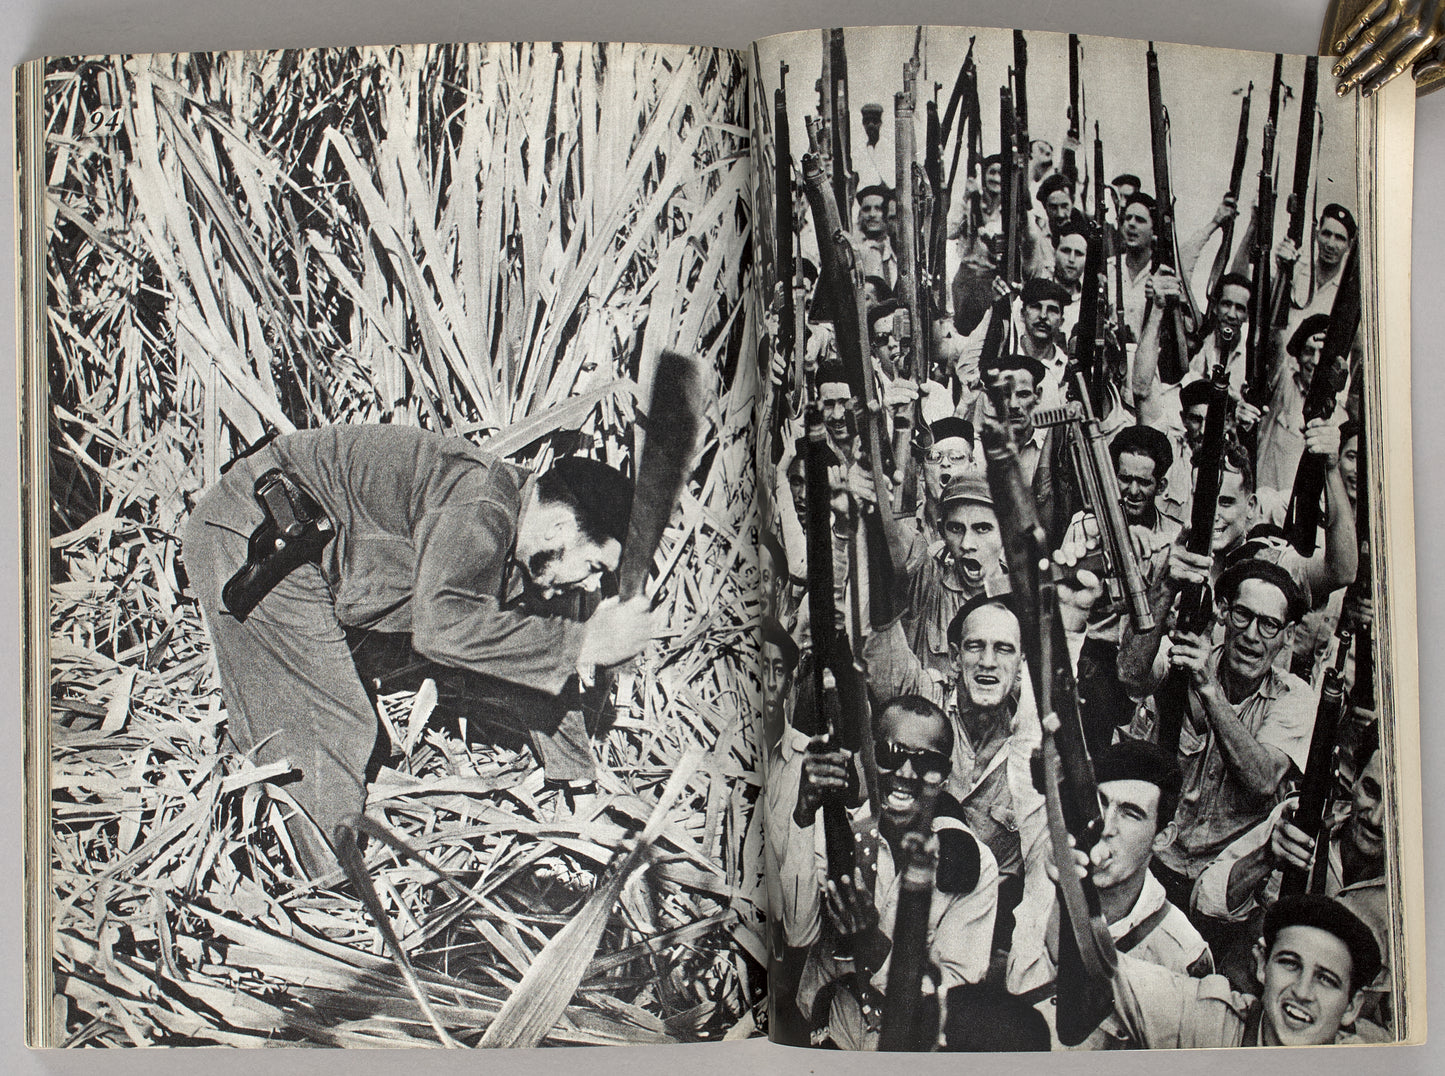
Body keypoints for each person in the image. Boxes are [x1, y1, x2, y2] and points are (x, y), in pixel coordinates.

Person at [183, 424, 660, 877]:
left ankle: (252, 819)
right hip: (257, 536)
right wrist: (584, 642)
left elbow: (526, 656)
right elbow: (444, 629)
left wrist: (579, 782)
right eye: (595, 566)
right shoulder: (480, 508)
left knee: (293, 721)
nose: (593, 585)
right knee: (337, 723)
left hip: (307, 553)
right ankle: (328, 904)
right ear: (558, 529)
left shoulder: (525, 550)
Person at [781, 695, 999, 1049]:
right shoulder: (836, 826)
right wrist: (804, 815)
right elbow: (796, 931)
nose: (906, 774)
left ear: (945, 775)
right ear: (868, 755)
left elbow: (952, 997)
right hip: (821, 1030)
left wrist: (873, 946)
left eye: (928, 762)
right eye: (891, 754)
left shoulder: (974, 863)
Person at [1120, 559, 1318, 911]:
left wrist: (1208, 688)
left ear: (1287, 635)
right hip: (1151, 859)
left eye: (1269, 625)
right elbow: (1130, 672)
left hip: (1226, 885)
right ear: (1224, 613)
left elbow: (1263, 780)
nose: (1252, 635)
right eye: (1243, 615)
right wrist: (1165, 586)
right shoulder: (1187, 657)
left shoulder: (1295, 698)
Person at [1009, 741, 1212, 1048]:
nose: (1106, 827)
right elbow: (1019, 994)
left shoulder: (1183, 953)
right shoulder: (1046, 880)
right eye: (1100, 804)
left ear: (1163, 837)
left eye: (1131, 814)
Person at [1193, 735, 1390, 1030]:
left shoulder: (1417, 896)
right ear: (1354, 781)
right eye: (1371, 791)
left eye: (1397, 805)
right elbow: (1203, 900)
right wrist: (1266, 857)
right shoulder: (1300, 818)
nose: (1376, 818)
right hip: (1239, 1018)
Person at [1077, 890, 1385, 1047]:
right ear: (1262, 965)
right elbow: (1094, 965)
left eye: (1326, 980)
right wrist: (1071, 880)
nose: (1302, 992)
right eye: (1290, 964)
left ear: (1352, 1007)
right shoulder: (1208, 1020)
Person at [1275, 203, 1356, 328]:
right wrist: (1281, 270)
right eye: (1326, 234)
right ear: (1317, 235)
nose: (1330, 244)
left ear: (1349, 245)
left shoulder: (1347, 292)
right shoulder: (1295, 270)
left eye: (1339, 238)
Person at [853, 184, 898, 287]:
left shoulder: (893, 249)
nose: (872, 214)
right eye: (866, 209)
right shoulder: (856, 249)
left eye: (878, 209)